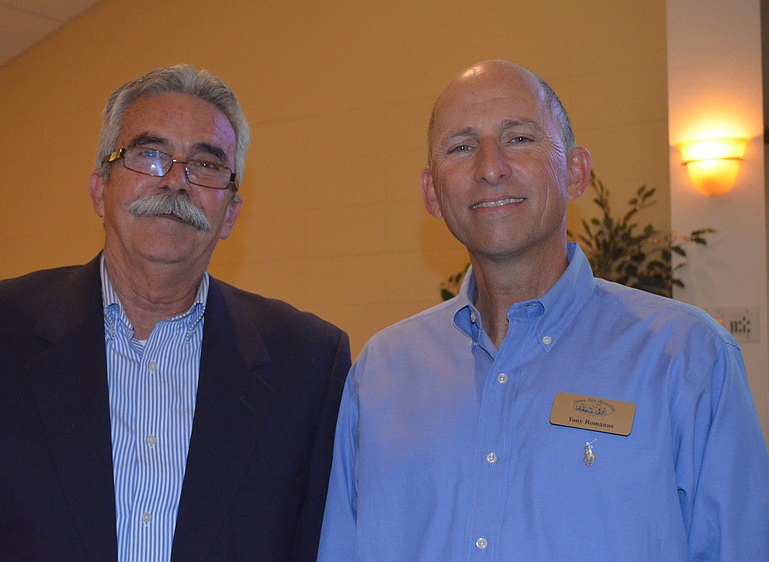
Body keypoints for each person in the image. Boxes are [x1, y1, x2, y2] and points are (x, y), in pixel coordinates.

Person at [318, 60, 769, 561]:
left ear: (575, 173)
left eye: (519, 139)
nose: (490, 167)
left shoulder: (688, 360)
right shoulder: (380, 374)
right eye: (461, 147)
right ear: (432, 193)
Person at [0, 65, 351, 561]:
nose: (176, 181)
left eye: (206, 165)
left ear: (231, 213)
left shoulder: (309, 365)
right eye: (149, 155)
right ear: (99, 190)